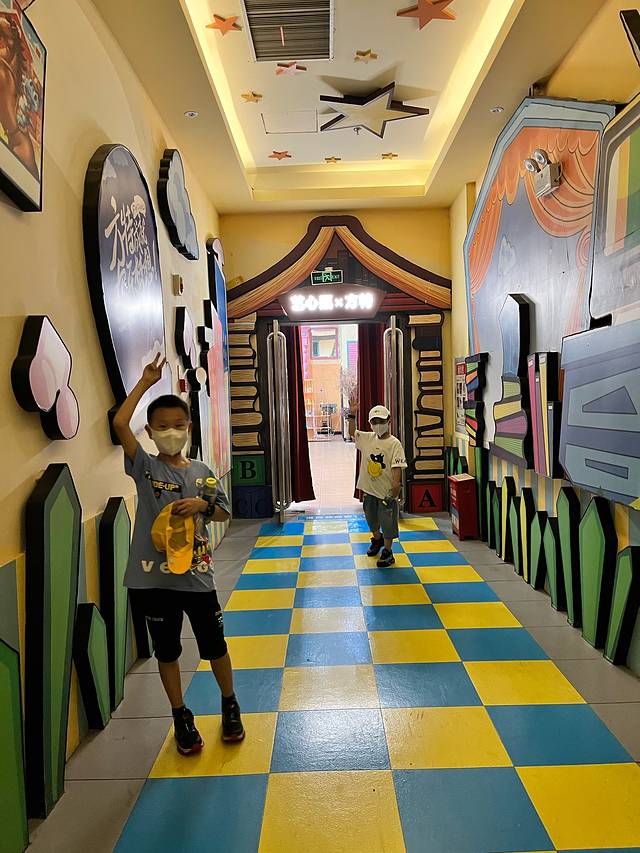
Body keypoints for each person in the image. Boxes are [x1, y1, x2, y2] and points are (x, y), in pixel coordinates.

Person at [113, 353, 244, 755]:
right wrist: (144, 383)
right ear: (150, 431)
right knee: (167, 650)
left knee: (215, 645)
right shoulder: (144, 467)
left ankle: (229, 703)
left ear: (189, 427)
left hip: (196, 577)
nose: (171, 432)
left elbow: (222, 512)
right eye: (162, 426)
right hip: (152, 579)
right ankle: (180, 715)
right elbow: (119, 424)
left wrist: (203, 505)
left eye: (178, 425)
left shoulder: (202, 472)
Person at [348, 403, 407, 567]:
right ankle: (377, 539)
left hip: (386, 493)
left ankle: (388, 551)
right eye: (374, 422)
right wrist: (352, 415)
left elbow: (397, 466)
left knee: (388, 523)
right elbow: (352, 432)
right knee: (371, 519)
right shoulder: (367, 439)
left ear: (389, 420)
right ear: (370, 424)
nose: (378, 425)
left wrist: (396, 484)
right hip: (369, 490)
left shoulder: (394, 443)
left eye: (381, 421)